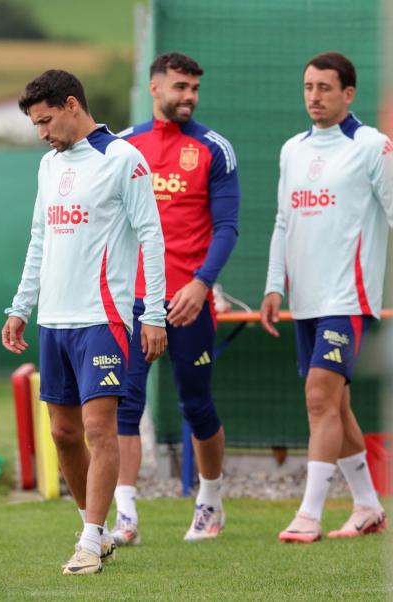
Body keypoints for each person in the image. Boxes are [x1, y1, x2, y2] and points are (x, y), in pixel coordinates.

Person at [3, 69, 167, 575]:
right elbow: (38, 241)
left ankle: (92, 541)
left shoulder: (123, 159)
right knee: (63, 435)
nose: (43, 133)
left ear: (72, 105)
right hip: (54, 322)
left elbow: (152, 239)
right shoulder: (48, 167)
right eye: (35, 125)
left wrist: (155, 313)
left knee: (100, 430)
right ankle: (92, 527)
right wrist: (19, 306)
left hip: (104, 319)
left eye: (47, 121)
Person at [261, 51, 390, 543]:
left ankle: (309, 514)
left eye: (325, 88)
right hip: (306, 299)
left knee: (318, 397)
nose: (314, 96)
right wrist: (275, 284)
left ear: (348, 93)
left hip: (349, 297)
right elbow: (281, 222)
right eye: (308, 86)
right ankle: (368, 507)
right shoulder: (292, 148)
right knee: (335, 407)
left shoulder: (372, 146)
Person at [113, 52, 240, 544]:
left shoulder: (214, 149)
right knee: (124, 402)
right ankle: (125, 516)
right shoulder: (123, 147)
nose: (188, 96)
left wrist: (201, 283)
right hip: (134, 302)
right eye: (180, 87)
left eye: (194, 88)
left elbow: (227, 227)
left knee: (196, 405)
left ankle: (210, 502)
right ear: (154, 87)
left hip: (190, 302)